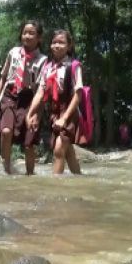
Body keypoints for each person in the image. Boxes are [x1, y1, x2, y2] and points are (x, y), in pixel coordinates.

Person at [27, 29, 82, 175]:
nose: (57, 45)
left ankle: (54, 189)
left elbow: (78, 95)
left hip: (69, 113)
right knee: (67, 151)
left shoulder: (74, 66)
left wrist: (64, 118)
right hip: (54, 113)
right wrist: (31, 114)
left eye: (61, 42)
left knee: (58, 149)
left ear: (69, 46)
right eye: (54, 42)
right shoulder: (47, 67)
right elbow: (41, 92)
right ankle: (80, 179)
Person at [0, 20, 47, 174]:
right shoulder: (13, 53)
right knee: (6, 132)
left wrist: (37, 114)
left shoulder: (43, 61)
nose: (27, 36)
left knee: (28, 142)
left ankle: (30, 175)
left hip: (30, 99)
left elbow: (41, 90)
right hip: (9, 95)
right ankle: (6, 171)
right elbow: (3, 78)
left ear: (39, 38)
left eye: (32, 33)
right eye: (25, 32)